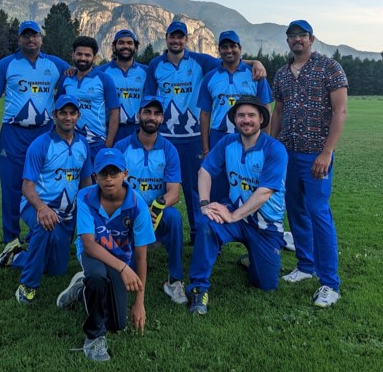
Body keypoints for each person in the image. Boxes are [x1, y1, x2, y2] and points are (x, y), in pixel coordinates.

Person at [144, 20, 266, 244]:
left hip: (192, 139)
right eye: (172, 36)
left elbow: (228, 61)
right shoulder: (155, 65)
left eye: (180, 37)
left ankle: (197, 233)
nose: (176, 40)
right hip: (164, 138)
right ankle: (154, 233)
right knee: (158, 186)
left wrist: (255, 61)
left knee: (195, 189)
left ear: (186, 40)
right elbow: (149, 98)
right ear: (166, 38)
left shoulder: (200, 60)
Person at [268, 19, 348, 308]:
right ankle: (305, 265)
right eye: (292, 36)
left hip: (316, 154)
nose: (297, 40)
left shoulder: (329, 67)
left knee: (318, 212)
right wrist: (271, 146)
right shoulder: (281, 74)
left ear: (312, 39)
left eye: (302, 35)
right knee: (296, 210)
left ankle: (330, 283)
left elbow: (340, 111)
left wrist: (327, 152)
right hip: (287, 153)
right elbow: (278, 112)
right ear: (287, 41)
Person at [185, 96, 288, 315]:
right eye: (241, 115)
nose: (246, 120)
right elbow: (204, 171)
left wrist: (234, 216)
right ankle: (198, 288)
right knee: (207, 224)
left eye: (252, 115)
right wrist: (204, 204)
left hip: (265, 226)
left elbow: (265, 192)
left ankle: (251, 259)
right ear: (235, 120)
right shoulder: (227, 142)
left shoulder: (274, 149)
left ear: (261, 119)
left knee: (266, 284)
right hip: (234, 214)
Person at [56, 148, 155, 362]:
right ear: (95, 176)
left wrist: (139, 302)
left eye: (114, 173)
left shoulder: (137, 205)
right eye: (103, 174)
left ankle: (82, 289)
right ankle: (93, 337)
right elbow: (89, 245)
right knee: (97, 276)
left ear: (125, 174)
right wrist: (122, 268)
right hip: (93, 254)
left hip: (120, 259)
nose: (109, 179)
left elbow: (140, 256)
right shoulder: (85, 195)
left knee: (118, 324)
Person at [0, 20, 71, 260]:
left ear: (41, 39)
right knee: (11, 186)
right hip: (14, 133)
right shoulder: (6, 64)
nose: (30, 40)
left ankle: (38, 233)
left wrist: (74, 70)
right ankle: (11, 239)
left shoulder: (55, 64)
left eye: (35, 36)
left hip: (44, 133)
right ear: (19, 39)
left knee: (43, 186)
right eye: (26, 36)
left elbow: (76, 73)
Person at [1, 95, 94, 305]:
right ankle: (27, 286)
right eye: (63, 113)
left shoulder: (83, 145)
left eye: (72, 113)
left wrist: (89, 210)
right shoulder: (41, 144)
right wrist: (42, 208)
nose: (67, 117)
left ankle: (16, 256)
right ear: (55, 115)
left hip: (66, 214)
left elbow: (86, 180)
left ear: (78, 116)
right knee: (45, 225)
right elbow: (27, 186)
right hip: (35, 207)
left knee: (56, 269)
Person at [113, 95, 186, 304]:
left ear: (162, 118)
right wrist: (137, 210)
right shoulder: (121, 147)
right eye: (147, 112)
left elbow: (173, 192)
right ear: (139, 115)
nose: (151, 117)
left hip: (156, 214)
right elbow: (112, 188)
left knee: (173, 218)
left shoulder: (169, 149)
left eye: (156, 113)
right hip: (126, 212)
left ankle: (175, 280)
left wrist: (152, 208)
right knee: (128, 275)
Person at [197, 29, 273, 204]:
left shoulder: (255, 74)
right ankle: (221, 227)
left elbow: (266, 109)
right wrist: (206, 149)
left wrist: (265, 142)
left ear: (240, 48)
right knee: (218, 187)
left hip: (250, 137)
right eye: (224, 47)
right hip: (219, 135)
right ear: (219, 50)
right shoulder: (210, 77)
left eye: (233, 46)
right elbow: (205, 114)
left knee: (247, 183)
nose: (229, 50)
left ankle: (246, 226)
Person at [56, 35, 121, 161]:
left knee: (95, 180)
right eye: (79, 54)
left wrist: (108, 143)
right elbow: (59, 110)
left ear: (94, 58)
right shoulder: (66, 78)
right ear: (73, 55)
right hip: (69, 143)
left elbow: (114, 113)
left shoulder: (104, 79)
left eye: (87, 55)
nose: (82, 58)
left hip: (96, 143)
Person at [95, 29, 150, 143]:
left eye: (130, 43)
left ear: (135, 47)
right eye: (121, 43)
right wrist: (72, 71)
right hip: (111, 131)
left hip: (139, 130)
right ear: (114, 47)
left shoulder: (146, 71)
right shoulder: (102, 71)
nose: (125, 46)